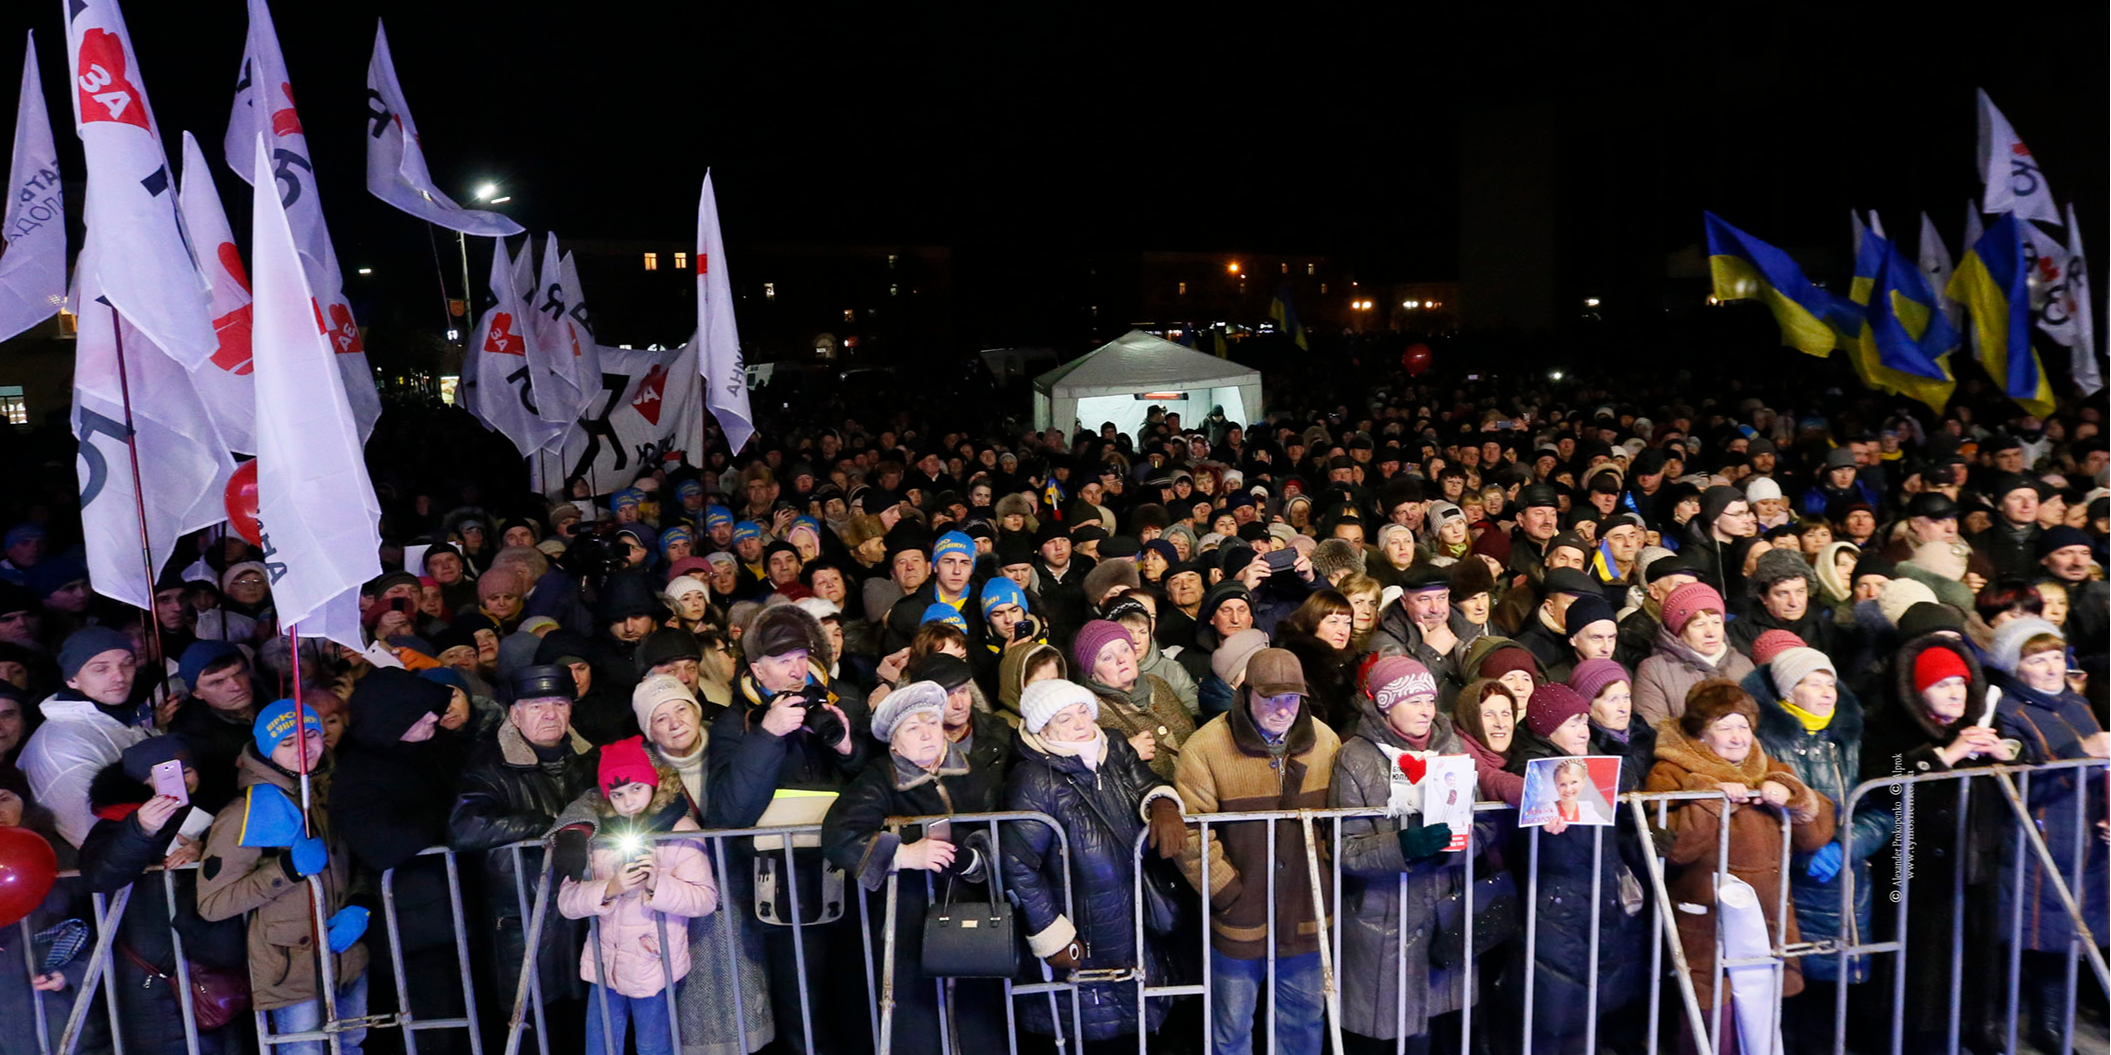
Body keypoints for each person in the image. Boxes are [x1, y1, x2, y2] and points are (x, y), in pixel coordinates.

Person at [704, 602, 869, 1055]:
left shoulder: (843, 700)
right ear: (757, 668)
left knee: (859, 1000)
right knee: (804, 1010)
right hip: (783, 890)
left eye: (802, 657)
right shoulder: (735, 722)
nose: (798, 671)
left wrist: (850, 748)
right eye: (783, 661)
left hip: (849, 876)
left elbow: (874, 784)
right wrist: (768, 735)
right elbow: (728, 811)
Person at [1647, 681, 1834, 1054]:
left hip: (1766, 921)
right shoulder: (1671, 773)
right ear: (1702, 734)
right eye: (1725, 726)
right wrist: (1710, 799)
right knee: (1713, 1024)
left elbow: (1815, 835)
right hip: (1706, 922)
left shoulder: (1769, 767)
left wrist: (1793, 795)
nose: (1738, 737)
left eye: (1743, 726)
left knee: (1762, 1025)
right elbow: (1673, 847)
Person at [999, 677, 1186, 1045]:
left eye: (1083, 711)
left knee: (1139, 1021)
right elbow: (1019, 864)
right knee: (1091, 1027)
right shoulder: (1034, 779)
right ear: (1043, 728)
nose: (1081, 723)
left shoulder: (1112, 746)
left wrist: (1163, 804)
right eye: (1065, 719)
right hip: (1081, 925)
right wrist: (1051, 936)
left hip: (1132, 913)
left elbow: (1145, 783)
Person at [821, 681, 1004, 1051]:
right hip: (907, 915)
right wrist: (905, 855)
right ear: (894, 742)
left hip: (972, 912)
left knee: (976, 1012)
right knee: (916, 1017)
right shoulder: (878, 779)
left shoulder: (973, 772)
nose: (926, 734)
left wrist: (976, 859)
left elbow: (1001, 830)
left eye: (931, 724)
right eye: (912, 728)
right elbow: (839, 834)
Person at [1173, 647, 1339, 1055]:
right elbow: (1191, 832)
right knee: (1231, 1026)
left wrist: (1327, 874)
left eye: (1292, 698)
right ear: (1246, 693)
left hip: (1305, 909)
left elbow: (1340, 823)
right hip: (1240, 916)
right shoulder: (1205, 747)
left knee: (1303, 1020)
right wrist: (1226, 891)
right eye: (1270, 698)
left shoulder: (1326, 742)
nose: (1283, 710)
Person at [1860, 632, 2009, 1054]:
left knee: (1970, 955)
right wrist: (1945, 756)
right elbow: (1884, 785)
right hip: (1911, 867)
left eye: (1960, 683)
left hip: (1971, 865)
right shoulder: (1888, 727)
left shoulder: (1978, 728)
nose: (1955, 693)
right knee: (1917, 964)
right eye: (1943, 685)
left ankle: (1973, 1025)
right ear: (1918, 690)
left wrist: (2004, 760)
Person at [196, 700, 372, 1055]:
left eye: (311, 735)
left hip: (347, 956)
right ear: (266, 749)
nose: (304, 748)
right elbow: (212, 904)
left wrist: (360, 905)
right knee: (304, 1049)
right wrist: (286, 870)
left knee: (352, 1044)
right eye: (287, 742)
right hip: (289, 966)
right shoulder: (244, 813)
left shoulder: (339, 792)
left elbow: (363, 861)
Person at [1744, 646, 1887, 1055]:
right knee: (1792, 992)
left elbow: (1885, 808)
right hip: (1788, 888)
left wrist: (1845, 845)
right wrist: (1802, 852)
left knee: (1836, 994)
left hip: (1849, 884)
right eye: (1813, 683)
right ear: (1789, 693)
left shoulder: (1855, 737)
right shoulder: (1762, 743)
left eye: (1830, 683)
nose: (1827, 693)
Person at [1328, 657, 1471, 1052]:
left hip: (1443, 912)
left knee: (1438, 1035)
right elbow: (1345, 849)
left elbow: (1476, 818)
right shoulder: (1354, 757)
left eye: (1429, 699)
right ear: (1386, 706)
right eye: (1413, 701)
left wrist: (1467, 840)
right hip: (1384, 920)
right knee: (1391, 1038)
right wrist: (1403, 846)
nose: (1427, 709)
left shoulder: (1451, 745)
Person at [449, 665, 600, 1035]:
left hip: (587, 915)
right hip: (526, 920)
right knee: (536, 1023)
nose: (550, 714)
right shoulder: (490, 763)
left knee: (588, 1023)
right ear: (515, 714)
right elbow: (465, 825)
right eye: (536, 706)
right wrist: (550, 826)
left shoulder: (589, 757)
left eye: (560, 703)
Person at [1983, 617, 2110, 1053]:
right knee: (2044, 937)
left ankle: (2055, 1024)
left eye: (2056, 657)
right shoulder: (2008, 712)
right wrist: (2081, 752)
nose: (2052, 668)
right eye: (2038, 660)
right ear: (2015, 666)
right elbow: (2014, 781)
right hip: (2041, 838)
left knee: (2074, 936)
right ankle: (2036, 1027)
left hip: (2086, 835)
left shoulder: (2075, 702)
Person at [329, 669, 472, 1055]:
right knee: (431, 1031)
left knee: (472, 1024)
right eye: (420, 713)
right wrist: (449, 819)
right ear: (390, 719)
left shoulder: (437, 746)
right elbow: (381, 845)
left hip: (463, 911)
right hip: (412, 927)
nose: (432, 717)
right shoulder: (357, 775)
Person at [76, 737, 246, 1055]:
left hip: (217, 967)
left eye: (189, 771)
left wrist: (205, 847)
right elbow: (99, 874)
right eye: (168, 774)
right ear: (143, 782)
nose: (182, 781)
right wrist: (141, 829)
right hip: (153, 977)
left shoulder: (219, 813)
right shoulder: (116, 823)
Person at [1504, 683, 1646, 1053]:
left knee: (1586, 1012)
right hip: (1555, 904)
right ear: (1548, 730)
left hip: (1593, 898)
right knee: (1557, 1015)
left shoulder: (1594, 766)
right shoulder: (1533, 771)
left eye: (1584, 720)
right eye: (1571, 723)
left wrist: (1644, 840)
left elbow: (1604, 838)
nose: (1583, 730)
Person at [557, 736, 720, 1055]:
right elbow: (566, 900)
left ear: (654, 783)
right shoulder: (599, 833)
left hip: (655, 965)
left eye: (636, 788)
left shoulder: (680, 831)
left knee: (653, 1045)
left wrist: (657, 884)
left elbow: (705, 899)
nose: (628, 801)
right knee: (601, 1043)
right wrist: (609, 888)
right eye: (617, 794)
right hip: (605, 966)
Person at [20, 626, 153, 847]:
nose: (119, 676)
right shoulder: (63, 746)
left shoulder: (124, 715)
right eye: (101, 669)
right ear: (72, 679)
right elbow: (92, 837)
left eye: (127, 663)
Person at [1072, 619, 1194, 781]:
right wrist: (1124, 753)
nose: (1121, 659)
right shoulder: (1086, 711)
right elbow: (1084, 774)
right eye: (1107, 657)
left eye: (1125, 649)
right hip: (1148, 802)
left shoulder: (1157, 684)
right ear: (1091, 671)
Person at [1633, 583, 1754, 729]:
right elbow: (1653, 730)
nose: (1711, 632)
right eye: (1699, 624)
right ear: (1679, 631)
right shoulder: (1654, 670)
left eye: (1716, 622)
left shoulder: (1743, 665)